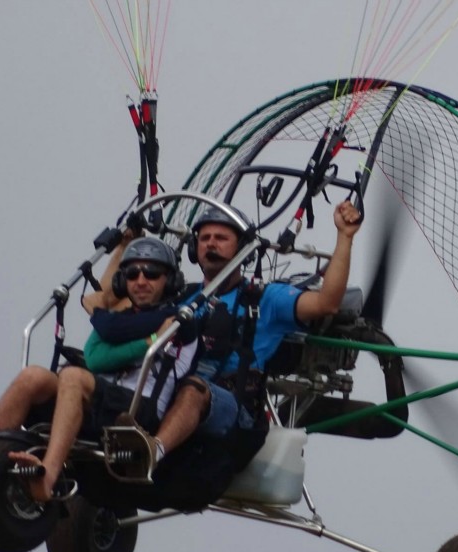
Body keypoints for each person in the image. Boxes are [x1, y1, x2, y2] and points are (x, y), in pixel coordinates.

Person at [0, 236, 196, 502]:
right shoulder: (119, 322)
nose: (140, 281)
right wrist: (145, 338)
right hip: (97, 400)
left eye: (151, 273)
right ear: (122, 281)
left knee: (72, 376)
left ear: (170, 280)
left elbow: (109, 332)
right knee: (33, 375)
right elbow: (95, 356)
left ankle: (47, 477)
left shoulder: (181, 320)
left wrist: (106, 320)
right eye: (131, 273)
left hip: (138, 409)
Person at [143, 199, 362, 469]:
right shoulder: (183, 298)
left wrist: (345, 238)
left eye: (221, 238)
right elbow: (107, 306)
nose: (211, 244)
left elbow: (326, 303)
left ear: (243, 249)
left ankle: (152, 452)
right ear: (193, 248)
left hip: (234, 413)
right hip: (174, 396)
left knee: (193, 390)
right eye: (205, 238)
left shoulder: (266, 299)